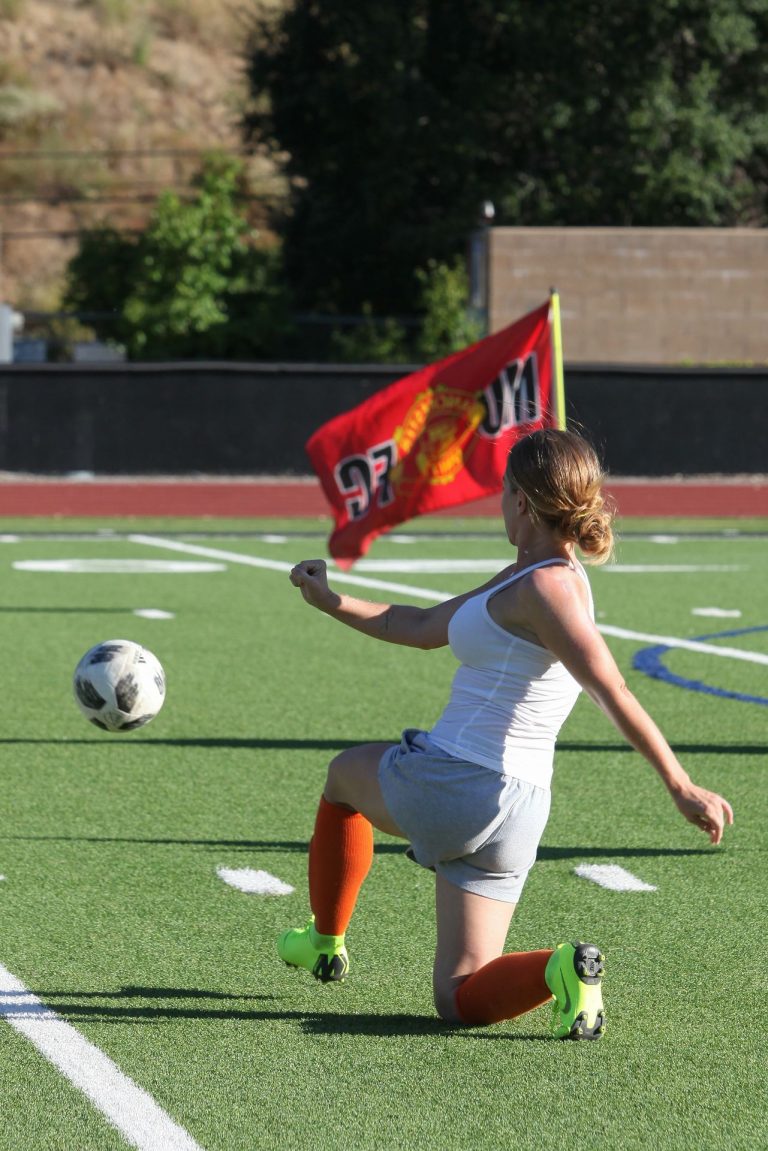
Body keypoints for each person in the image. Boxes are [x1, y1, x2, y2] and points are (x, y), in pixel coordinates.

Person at [279, 428, 733, 1039]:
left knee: (342, 778)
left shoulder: (546, 587)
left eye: (502, 492)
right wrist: (330, 600)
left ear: (522, 501)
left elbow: (612, 690)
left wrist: (682, 785)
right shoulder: (534, 573)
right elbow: (419, 624)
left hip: (458, 778)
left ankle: (325, 941)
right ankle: (560, 970)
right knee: (458, 996)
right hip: (518, 809)